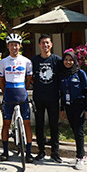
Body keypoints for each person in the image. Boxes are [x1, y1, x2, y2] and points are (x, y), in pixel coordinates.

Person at [0, 34, 34, 163]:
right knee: (6, 124)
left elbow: (29, 78)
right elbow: (1, 80)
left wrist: (24, 88)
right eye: (11, 44)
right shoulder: (2, 62)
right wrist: (4, 93)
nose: (14, 47)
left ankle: (29, 152)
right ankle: (5, 151)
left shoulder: (26, 61)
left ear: (20, 46)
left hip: (22, 93)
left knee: (27, 123)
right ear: (8, 46)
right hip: (9, 94)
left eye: (16, 44)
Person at [31, 34, 62, 163]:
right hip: (39, 98)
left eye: (47, 43)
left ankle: (55, 152)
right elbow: (29, 77)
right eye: (43, 43)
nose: (45, 45)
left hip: (54, 98)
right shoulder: (34, 61)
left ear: (51, 44)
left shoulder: (57, 60)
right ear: (39, 45)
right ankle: (41, 150)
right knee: (39, 125)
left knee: (54, 125)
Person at [59, 51, 87, 170]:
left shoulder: (80, 73)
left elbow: (86, 91)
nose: (68, 62)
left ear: (74, 61)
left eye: (70, 60)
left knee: (79, 132)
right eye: (66, 60)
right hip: (68, 106)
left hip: (79, 106)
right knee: (75, 131)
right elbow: (62, 93)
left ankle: (80, 157)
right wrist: (62, 109)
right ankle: (82, 155)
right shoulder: (63, 75)